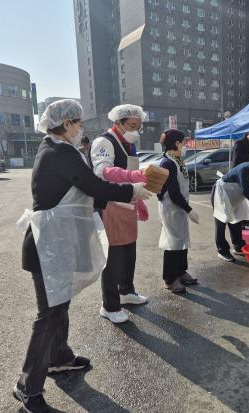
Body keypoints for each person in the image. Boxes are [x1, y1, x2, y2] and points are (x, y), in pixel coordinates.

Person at [16, 99, 151, 412]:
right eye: (78, 123)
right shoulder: (60, 152)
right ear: (66, 124)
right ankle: (27, 387)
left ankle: (59, 358)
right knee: (49, 314)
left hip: (57, 241)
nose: (81, 128)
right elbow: (93, 185)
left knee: (59, 305)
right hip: (48, 245)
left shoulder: (58, 149)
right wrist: (131, 191)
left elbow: (86, 190)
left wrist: (129, 195)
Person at [90, 104, 150, 324]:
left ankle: (126, 291)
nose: (136, 130)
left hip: (127, 204)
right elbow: (102, 171)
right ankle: (109, 305)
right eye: (132, 125)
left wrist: (138, 200)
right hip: (110, 205)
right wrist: (133, 176)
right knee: (113, 258)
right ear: (118, 123)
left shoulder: (129, 144)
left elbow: (130, 175)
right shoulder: (104, 142)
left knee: (128, 253)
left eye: (138, 126)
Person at [158, 129, 200, 293]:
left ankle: (181, 271)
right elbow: (173, 192)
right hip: (171, 208)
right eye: (183, 143)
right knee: (172, 243)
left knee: (182, 240)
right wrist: (189, 210)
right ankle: (169, 279)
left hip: (179, 206)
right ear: (176, 143)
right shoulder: (167, 163)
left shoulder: (177, 160)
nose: (185, 146)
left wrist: (186, 208)